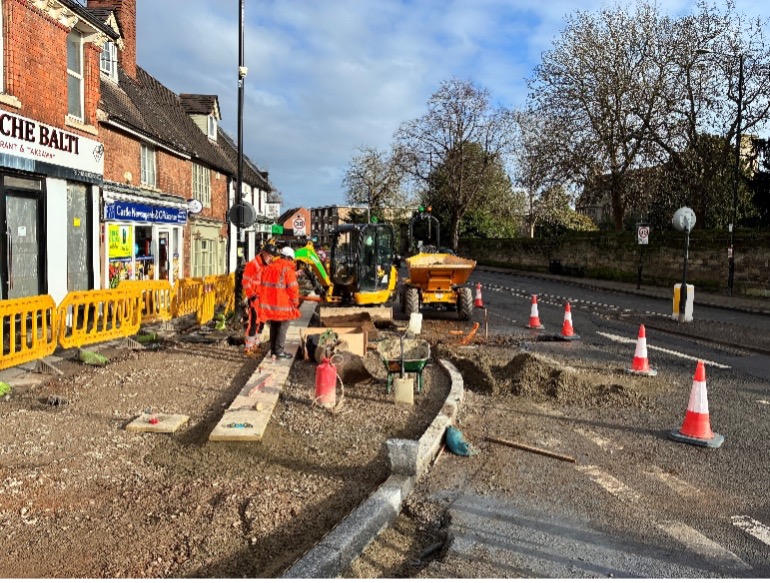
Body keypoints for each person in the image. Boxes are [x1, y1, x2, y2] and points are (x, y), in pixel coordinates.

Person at [259, 246, 301, 359]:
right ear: (288, 258)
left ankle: (273, 350)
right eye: (292, 259)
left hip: (271, 305)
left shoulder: (270, 267)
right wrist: (295, 303)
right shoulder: (288, 270)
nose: (293, 262)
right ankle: (279, 350)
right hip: (283, 305)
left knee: (274, 326)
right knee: (283, 326)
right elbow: (293, 289)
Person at [241, 243, 277, 354]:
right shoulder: (253, 265)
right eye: (269, 255)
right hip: (255, 298)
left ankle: (255, 344)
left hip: (264, 299)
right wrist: (252, 296)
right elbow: (245, 282)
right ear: (264, 253)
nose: (271, 258)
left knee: (261, 323)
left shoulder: (266, 265)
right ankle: (248, 347)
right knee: (253, 322)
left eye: (272, 256)